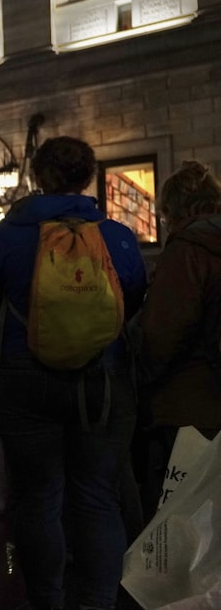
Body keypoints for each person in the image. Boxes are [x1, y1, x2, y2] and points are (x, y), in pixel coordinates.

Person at [0, 136, 147, 610]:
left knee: (37, 499)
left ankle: (46, 599)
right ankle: (97, 601)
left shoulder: (9, 235)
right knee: (98, 497)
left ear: (39, 178)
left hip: (26, 381)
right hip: (103, 383)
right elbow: (134, 299)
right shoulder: (117, 236)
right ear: (87, 178)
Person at [136, 160, 221, 519]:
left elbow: (161, 333)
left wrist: (140, 379)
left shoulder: (188, 249)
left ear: (171, 210)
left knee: (183, 522)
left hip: (190, 406)